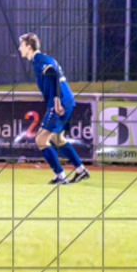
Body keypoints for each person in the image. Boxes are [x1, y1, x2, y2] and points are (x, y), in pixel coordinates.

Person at [17, 32, 90, 184]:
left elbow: (53, 73)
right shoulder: (44, 58)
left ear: (29, 46)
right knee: (57, 138)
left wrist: (56, 100)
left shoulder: (38, 59)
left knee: (40, 139)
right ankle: (80, 170)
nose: (19, 48)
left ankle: (60, 176)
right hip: (67, 100)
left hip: (60, 101)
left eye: (22, 45)